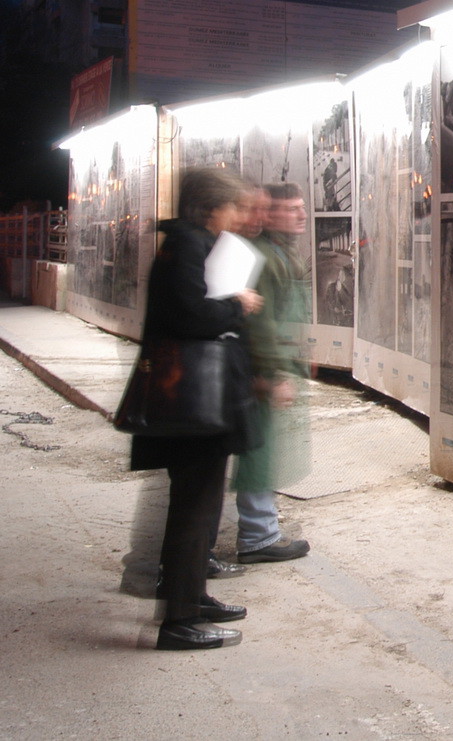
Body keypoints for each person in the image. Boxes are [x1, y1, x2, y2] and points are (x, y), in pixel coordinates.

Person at [131, 167, 262, 651]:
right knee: (194, 505)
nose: (239, 216)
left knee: (201, 503)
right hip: (192, 400)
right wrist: (238, 305)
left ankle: (192, 595)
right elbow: (189, 313)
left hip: (197, 397)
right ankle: (179, 620)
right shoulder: (188, 244)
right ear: (211, 207)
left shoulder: (191, 243)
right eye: (234, 206)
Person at [234, 183, 312, 565]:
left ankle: (259, 528)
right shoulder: (265, 256)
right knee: (258, 450)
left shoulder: (281, 253)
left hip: (274, 364)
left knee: (263, 448)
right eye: (291, 208)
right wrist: (270, 374)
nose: (301, 215)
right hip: (262, 370)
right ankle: (257, 536)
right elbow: (260, 323)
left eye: (302, 207)